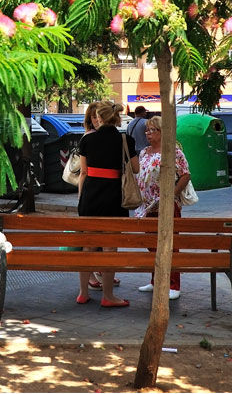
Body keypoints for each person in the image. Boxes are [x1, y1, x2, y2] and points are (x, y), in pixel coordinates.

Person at [75, 101, 135, 308]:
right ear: (117, 119)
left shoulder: (87, 140)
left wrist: (82, 198)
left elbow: (83, 172)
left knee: (88, 246)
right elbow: (134, 168)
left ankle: (83, 293)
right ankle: (108, 296)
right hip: (114, 198)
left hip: (90, 196)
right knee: (110, 248)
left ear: (99, 118)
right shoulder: (126, 139)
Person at [135, 115, 191, 300]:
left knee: (170, 245)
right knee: (152, 245)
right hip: (147, 207)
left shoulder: (173, 152)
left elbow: (185, 175)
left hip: (166, 206)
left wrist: (170, 195)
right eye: (147, 130)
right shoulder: (144, 152)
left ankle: (173, 284)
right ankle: (156, 280)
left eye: (152, 130)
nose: (148, 133)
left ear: (162, 132)